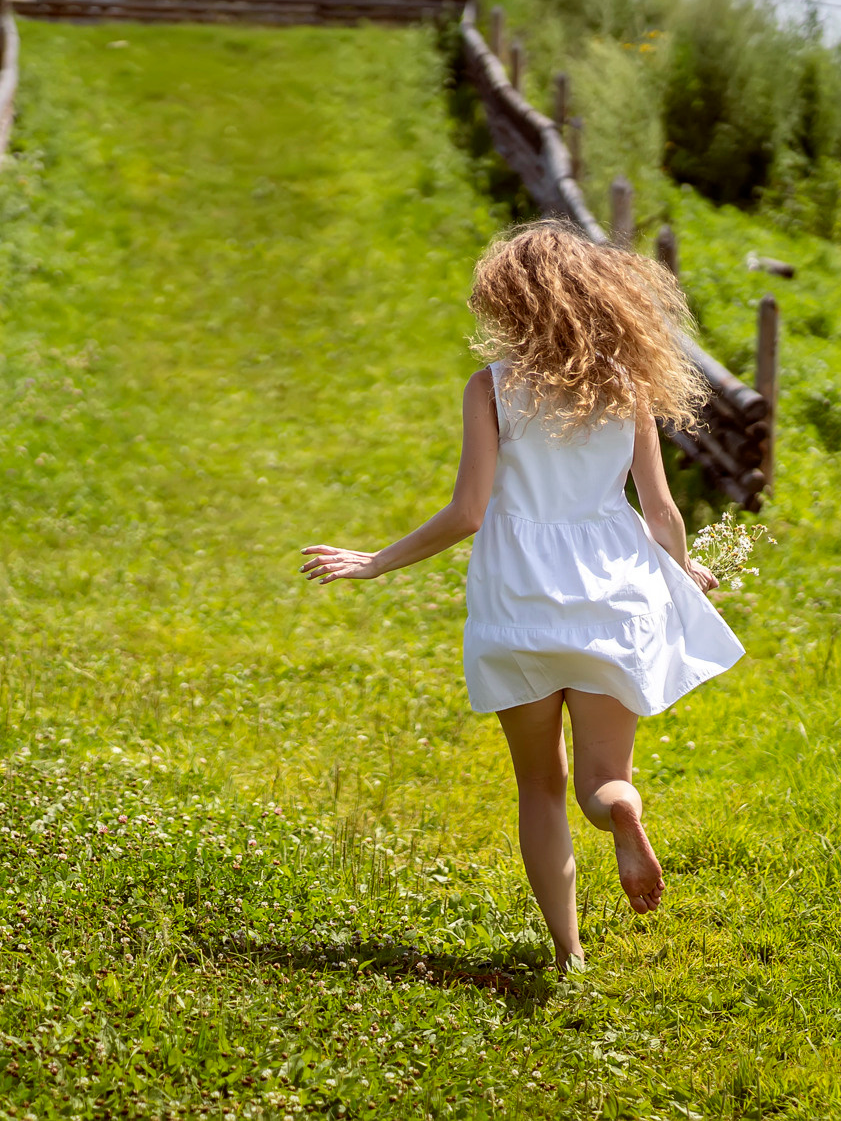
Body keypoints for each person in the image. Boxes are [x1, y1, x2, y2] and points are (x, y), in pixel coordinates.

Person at [300, 219, 745, 972]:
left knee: (539, 784)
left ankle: (569, 954)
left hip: (519, 599)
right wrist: (683, 572)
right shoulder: (627, 385)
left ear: (513, 301)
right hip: (614, 591)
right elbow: (662, 510)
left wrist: (376, 560)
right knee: (604, 779)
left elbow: (469, 511)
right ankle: (624, 814)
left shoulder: (492, 388)